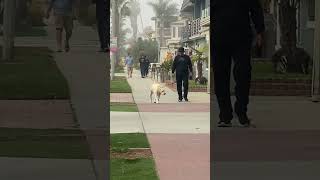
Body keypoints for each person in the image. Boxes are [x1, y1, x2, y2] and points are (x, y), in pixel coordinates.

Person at [212, 0, 265, 127]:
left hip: (241, 38)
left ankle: (241, 112)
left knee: (243, 74)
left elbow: (256, 9)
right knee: (220, 77)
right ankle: (225, 116)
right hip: (219, 38)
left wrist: (260, 31)